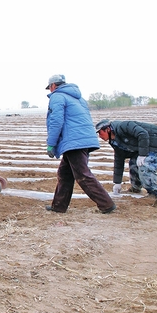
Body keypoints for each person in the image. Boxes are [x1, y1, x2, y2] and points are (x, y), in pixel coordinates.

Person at [45, 74, 116, 214]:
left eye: (50, 88)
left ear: (53, 85)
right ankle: (58, 206)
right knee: (64, 173)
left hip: (74, 141)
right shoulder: (79, 98)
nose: (50, 91)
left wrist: (51, 144)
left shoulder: (57, 97)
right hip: (84, 139)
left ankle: (106, 204)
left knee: (82, 174)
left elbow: (56, 121)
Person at [95, 119, 157, 199]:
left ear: (107, 129)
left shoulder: (124, 126)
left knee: (145, 164)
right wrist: (117, 182)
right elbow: (119, 160)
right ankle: (136, 188)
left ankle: (153, 193)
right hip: (146, 146)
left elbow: (142, 134)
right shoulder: (114, 141)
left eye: (100, 133)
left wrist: (142, 155)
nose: (100, 136)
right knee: (134, 162)